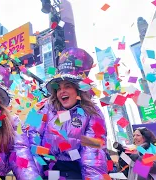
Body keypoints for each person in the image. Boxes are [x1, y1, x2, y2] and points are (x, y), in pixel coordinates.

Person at [28, 48, 108, 180]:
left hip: (74, 174)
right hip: (47, 172)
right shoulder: (44, 107)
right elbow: (31, 138)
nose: (62, 91)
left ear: (79, 89)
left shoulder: (93, 113)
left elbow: (93, 156)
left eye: (67, 86)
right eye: (58, 88)